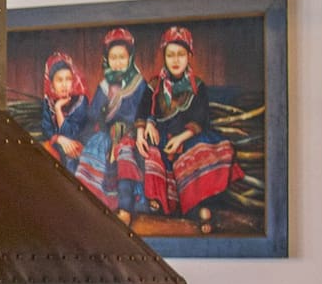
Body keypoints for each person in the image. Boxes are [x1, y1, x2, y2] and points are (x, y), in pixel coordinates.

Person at [139, 25, 237, 232]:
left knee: (198, 153)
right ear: (164, 57)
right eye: (171, 55)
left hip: (188, 136)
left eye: (181, 55)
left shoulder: (197, 86)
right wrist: (147, 124)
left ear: (189, 56)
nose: (175, 60)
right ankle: (161, 202)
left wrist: (182, 138)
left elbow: (201, 118)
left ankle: (200, 208)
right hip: (162, 136)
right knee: (150, 152)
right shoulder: (155, 84)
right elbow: (144, 108)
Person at [81, 26, 148, 222]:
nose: (118, 63)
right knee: (94, 149)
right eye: (113, 58)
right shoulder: (103, 87)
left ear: (130, 58)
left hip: (132, 133)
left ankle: (126, 208)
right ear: (107, 60)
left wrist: (125, 132)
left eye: (122, 57)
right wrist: (102, 124)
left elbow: (143, 113)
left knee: (124, 153)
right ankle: (95, 206)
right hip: (108, 133)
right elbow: (93, 116)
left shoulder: (139, 84)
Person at [39, 50, 92, 183]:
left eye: (68, 79)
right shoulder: (48, 101)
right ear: (51, 84)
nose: (64, 85)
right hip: (60, 144)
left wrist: (58, 109)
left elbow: (70, 134)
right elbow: (46, 129)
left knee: (70, 157)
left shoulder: (81, 101)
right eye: (59, 80)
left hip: (79, 145)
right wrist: (59, 139)